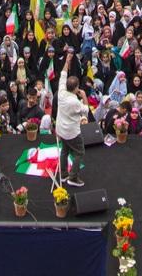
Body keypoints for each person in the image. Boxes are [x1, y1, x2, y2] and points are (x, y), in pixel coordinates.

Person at [55, 51, 89, 188]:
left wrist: (67, 61)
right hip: (72, 132)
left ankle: (63, 174)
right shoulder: (74, 102)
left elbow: (63, 74)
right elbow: (86, 110)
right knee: (79, 152)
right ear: (76, 88)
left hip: (60, 129)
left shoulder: (61, 92)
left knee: (65, 150)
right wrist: (84, 96)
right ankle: (73, 177)